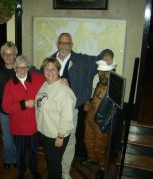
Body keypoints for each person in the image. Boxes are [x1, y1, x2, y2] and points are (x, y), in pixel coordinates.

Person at [51, 32, 114, 179]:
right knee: (52, 140)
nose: (64, 46)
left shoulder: (82, 60)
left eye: (67, 43)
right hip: (52, 109)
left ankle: (65, 171)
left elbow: (101, 56)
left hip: (71, 110)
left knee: (69, 141)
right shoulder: (50, 60)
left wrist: (108, 54)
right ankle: (54, 168)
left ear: (71, 45)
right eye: (61, 43)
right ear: (57, 44)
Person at [2, 55, 45, 179]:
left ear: (28, 67)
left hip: (34, 125)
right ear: (14, 68)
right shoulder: (10, 85)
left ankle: (33, 169)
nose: (22, 71)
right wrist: (24, 104)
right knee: (20, 152)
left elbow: (51, 78)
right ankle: (21, 172)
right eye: (19, 68)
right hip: (18, 127)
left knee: (33, 151)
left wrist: (62, 80)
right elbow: (6, 107)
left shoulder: (37, 78)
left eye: (24, 67)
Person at [35, 57, 76, 179]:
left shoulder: (64, 91)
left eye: (53, 69)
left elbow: (67, 117)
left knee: (54, 165)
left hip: (56, 135)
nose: (50, 71)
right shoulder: (45, 84)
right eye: (47, 68)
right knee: (51, 163)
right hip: (46, 132)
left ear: (59, 71)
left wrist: (60, 135)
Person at [84, 54, 117, 178]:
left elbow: (115, 110)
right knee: (88, 142)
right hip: (91, 119)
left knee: (100, 147)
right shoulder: (99, 83)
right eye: (100, 72)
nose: (103, 75)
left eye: (106, 73)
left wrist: (104, 125)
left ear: (112, 72)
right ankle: (92, 160)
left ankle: (103, 168)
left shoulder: (114, 88)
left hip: (101, 124)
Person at [0, 41, 18, 169]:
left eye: (11, 54)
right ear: (2, 55)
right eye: (6, 54)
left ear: (15, 55)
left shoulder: (20, 70)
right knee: (6, 137)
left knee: (16, 136)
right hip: (3, 111)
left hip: (17, 110)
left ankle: (15, 159)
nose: (8, 56)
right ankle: (7, 159)